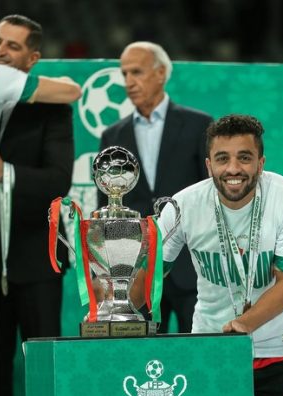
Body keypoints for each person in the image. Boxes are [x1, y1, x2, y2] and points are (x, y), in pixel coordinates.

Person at [135, 114, 283, 396]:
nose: (233, 168)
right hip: (212, 346)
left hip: (281, 346)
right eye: (222, 158)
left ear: (261, 162)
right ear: (208, 165)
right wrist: (114, 303)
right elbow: (150, 279)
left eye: (244, 157)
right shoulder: (183, 206)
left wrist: (244, 324)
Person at [0, 14, 79, 396]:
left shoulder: (51, 108)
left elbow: (58, 182)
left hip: (36, 260)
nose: (0, 51)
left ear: (33, 59)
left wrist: (4, 173)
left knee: (45, 372)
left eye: (12, 46)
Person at [99, 41, 213, 333]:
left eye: (136, 72)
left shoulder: (199, 125)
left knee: (195, 353)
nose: (128, 81)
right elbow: (107, 210)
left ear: (161, 73)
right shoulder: (113, 136)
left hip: (191, 268)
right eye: (124, 73)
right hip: (136, 275)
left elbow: (210, 195)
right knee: (142, 356)